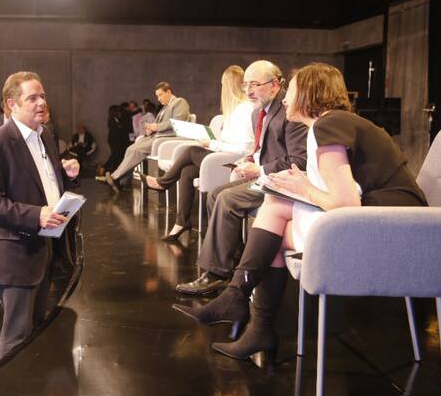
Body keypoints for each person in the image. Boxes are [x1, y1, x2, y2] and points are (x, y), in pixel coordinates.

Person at [174, 63, 428, 360]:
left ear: (308, 93)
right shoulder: (334, 123)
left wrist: (304, 188)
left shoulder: (328, 125)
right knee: (275, 205)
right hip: (388, 218)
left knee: (274, 227)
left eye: (290, 91)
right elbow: (343, 190)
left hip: (394, 227)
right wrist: (300, 184)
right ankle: (245, 308)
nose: (284, 99)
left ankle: (248, 312)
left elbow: (346, 204)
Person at [175, 60, 307, 296]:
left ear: (275, 85)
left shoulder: (290, 112)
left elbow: (299, 160)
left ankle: (216, 275)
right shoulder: (258, 112)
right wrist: (250, 158)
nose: (248, 91)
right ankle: (231, 259)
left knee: (227, 199)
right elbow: (263, 148)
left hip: (281, 181)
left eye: (255, 85)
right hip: (266, 176)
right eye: (246, 85)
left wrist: (260, 169)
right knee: (215, 193)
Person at [0, 71, 80, 360]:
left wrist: (67, 176)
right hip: (15, 253)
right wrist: (36, 216)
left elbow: (46, 186)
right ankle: (7, 389)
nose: (41, 103)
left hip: (43, 248)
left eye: (42, 96)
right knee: (16, 337)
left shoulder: (46, 137)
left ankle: (30, 386)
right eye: (32, 98)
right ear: (12, 104)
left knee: (34, 331)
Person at [142, 65, 255, 241]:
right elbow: (228, 141)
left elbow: (244, 148)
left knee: (191, 151)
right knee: (187, 172)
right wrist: (212, 142)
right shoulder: (233, 111)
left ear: (228, 86)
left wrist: (213, 144)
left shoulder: (245, 110)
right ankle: (182, 222)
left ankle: (163, 182)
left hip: (235, 161)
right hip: (222, 155)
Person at [103, 82, 190, 192]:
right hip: (157, 136)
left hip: (166, 139)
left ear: (168, 92)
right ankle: (121, 181)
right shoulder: (165, 107)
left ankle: (115, 178)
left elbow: (177, 122)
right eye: (157, 96)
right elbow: (160, 124)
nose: (158, 99)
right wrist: (151, 129)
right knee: (130, 149)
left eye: (160, 95)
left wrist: (155, 127)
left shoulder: (179, 102)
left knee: (135, 151)